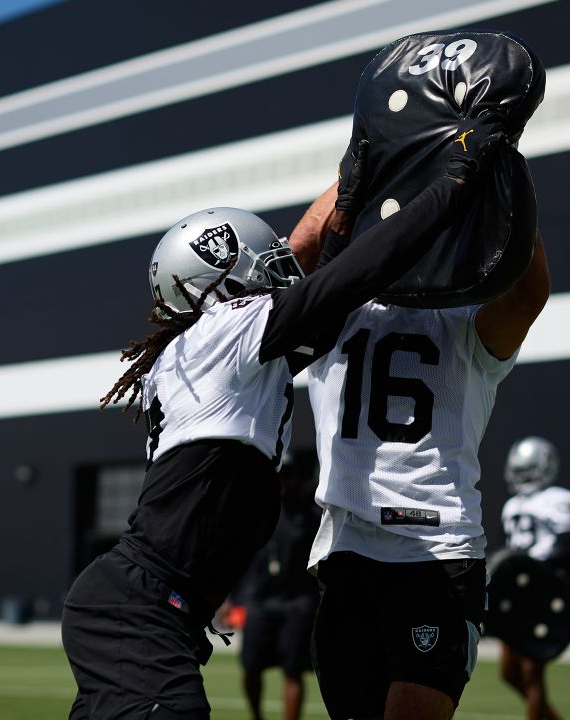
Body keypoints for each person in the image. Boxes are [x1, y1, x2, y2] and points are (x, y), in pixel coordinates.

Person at [61, 115, 507, 720]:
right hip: (140, 609)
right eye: (257, 261)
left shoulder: (209, 354)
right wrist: (452, 181)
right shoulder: (224, 332)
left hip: (138, 605)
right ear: (219, 283)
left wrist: (356, 181)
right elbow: (354, 272)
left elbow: (315, 265)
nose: (276, 269)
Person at [290, 137, 551, 720]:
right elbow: (296, 254)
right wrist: (385, 166)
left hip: (433, 551)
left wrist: (500, 175)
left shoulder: (463, 320)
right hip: (348, 548)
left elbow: (529, 293)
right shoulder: (334, 307)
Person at [497, 436, 570, 720]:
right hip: (518, 592)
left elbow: (569, 543)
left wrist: (535, 565)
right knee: (509, 673)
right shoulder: (511, 505)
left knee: (531, 671)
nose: (524, 477)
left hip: (544, 592)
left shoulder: (561, 499)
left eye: (529, 470)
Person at [235, 457, 321, 720]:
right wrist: (236, 598)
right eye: (278, 475)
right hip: (260, 599)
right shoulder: (256, 509)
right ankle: (257, 716)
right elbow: (241, 556)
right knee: (251, 667)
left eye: (288, 474)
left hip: (297, 601)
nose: (283, 480)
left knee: (292, 670)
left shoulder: (309, 513)